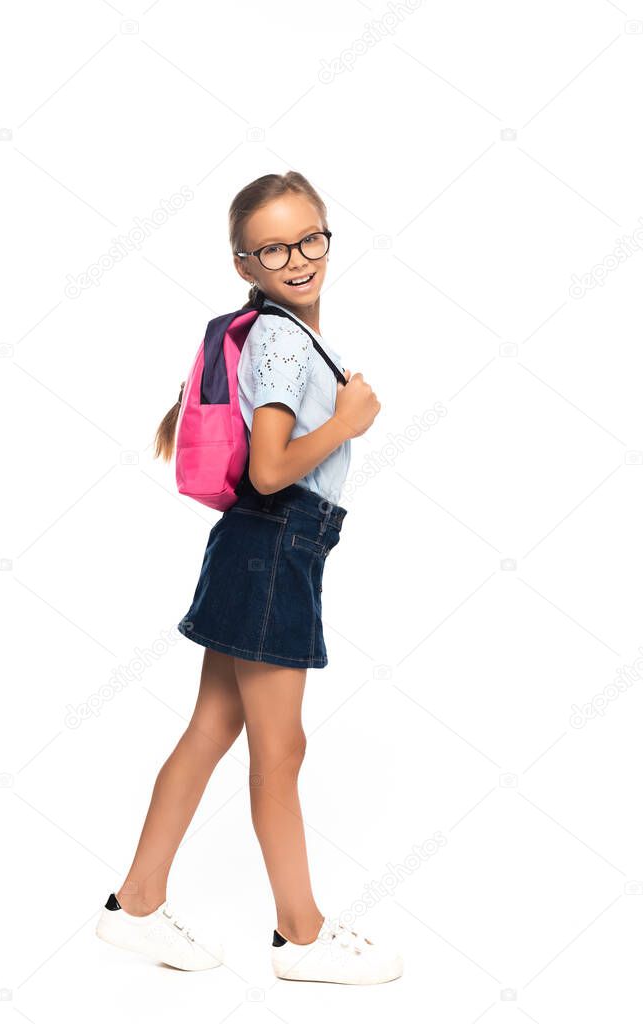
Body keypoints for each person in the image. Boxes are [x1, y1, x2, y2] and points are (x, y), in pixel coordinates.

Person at [95, 171, 403, 985]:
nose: (298, 258)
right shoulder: (276, 338)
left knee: (212, 730)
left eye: (310, 238)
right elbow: (268, 471)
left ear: (327, 234)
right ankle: (300, 939)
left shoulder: (287, 331)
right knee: (279, 748)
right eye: (274, 247)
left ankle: (135, 906)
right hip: (273, 546)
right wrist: (346, 421)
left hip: (261, 549)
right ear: (245, 263)